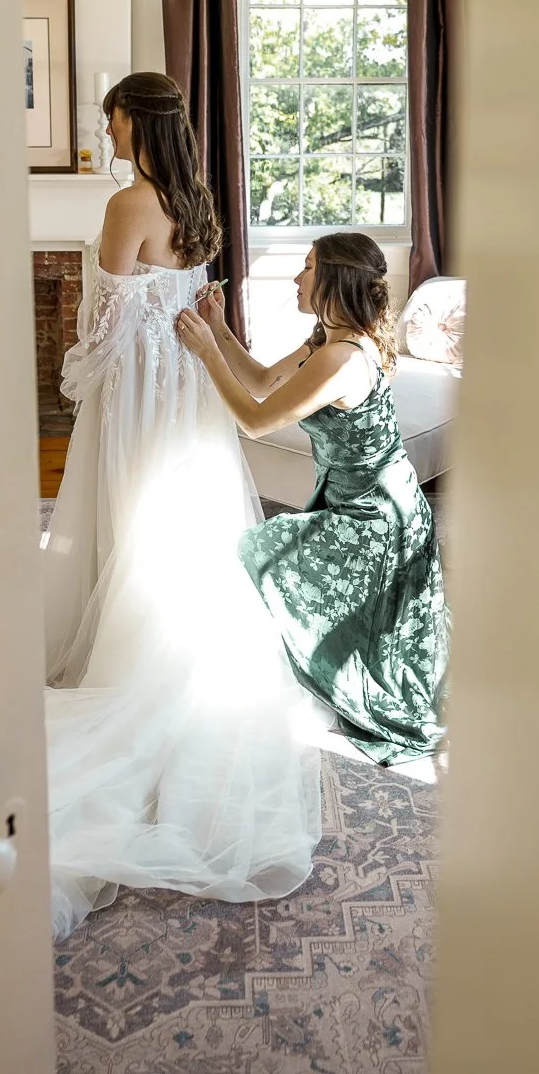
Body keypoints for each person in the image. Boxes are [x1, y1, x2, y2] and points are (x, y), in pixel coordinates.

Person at [42, 73, 320, 938]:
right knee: (176, 529)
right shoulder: (197, 203)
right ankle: (159, 631)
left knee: (125, 517)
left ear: (135, 121)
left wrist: (77, 367)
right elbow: (190, 307)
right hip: (187, 393)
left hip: (136, 392)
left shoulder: (131, 203)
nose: (108, 129)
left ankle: (121, 656)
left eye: (112, 118)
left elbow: (102, 329)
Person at [177, 231, 449, 765]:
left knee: (258, 549)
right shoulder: (328, 340)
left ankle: (300, 678)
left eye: (307, 267)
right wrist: (219, 328)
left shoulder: (343, 358)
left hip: (376, 518)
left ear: (334, 279)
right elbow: (259, 381)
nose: (297, 278)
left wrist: (208, 353)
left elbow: (255, 421)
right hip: (358, 501)